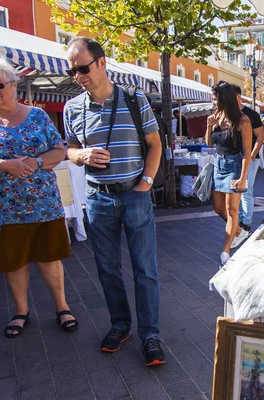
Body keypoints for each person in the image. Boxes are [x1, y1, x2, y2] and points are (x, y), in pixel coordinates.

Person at [0, 56, 77, 338]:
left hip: (42, 205)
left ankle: (62, 306)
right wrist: (3, 165)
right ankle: (21, 310)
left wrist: (34, 162)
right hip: (1, 208)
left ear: (14, 85)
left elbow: (59, 151)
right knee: (13, 261)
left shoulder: (38, 115)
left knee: (49, 258)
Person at [63, 38, 165, 365]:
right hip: (98, 198)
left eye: (83, 68)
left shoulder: (135, 99)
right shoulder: (72, 108)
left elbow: (154, 144)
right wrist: (82, 155)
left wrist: (146, 183)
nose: (78, 75)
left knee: (144, 269)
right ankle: (121, 325)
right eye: (72, 70)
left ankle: (150, 335)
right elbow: (70, 149)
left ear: (102, 63)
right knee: (107, 269)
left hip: (135, 194)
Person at [205, 81, 252, 266]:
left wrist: (243, 178)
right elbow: (209, 143)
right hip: (218, 165)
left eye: (215, 98)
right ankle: (239, 232)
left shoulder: (243, 120)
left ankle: (225, 251)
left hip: (234, 166)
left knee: (232, 210)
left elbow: (247, 151)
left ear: (224, 98)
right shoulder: (217, 116)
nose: (213, 102)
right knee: (218, 208)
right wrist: (209, 126)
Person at [231, 84, 264, 245]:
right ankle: (238, 223)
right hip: (233, 158)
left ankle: (246, 224)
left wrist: (251, 155)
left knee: (246, 190)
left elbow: (260, 137)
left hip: (249, 157)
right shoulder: (227, 114)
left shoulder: (251, 114)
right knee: (234, 192)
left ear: (238, 96)